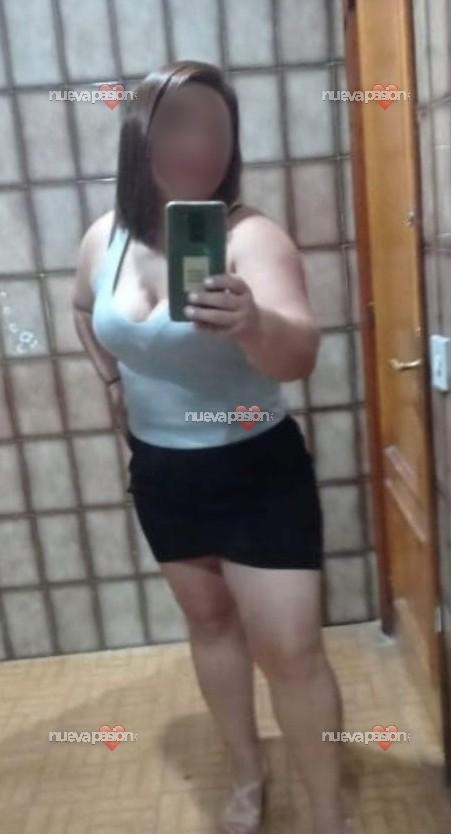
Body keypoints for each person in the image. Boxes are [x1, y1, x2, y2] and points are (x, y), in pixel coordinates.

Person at [72, 60, 351, 834]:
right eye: (176, 124)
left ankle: (328, 814)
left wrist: (254, 324)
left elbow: (298, 354)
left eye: (214, 129)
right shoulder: (104, 238)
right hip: (162, 473)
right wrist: (113, 384)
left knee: (290, 652)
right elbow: (80, 311)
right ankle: (246, 777)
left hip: (254, 469)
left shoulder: (248, 237)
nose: (198, 143)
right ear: (139, 135)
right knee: (211, 627)